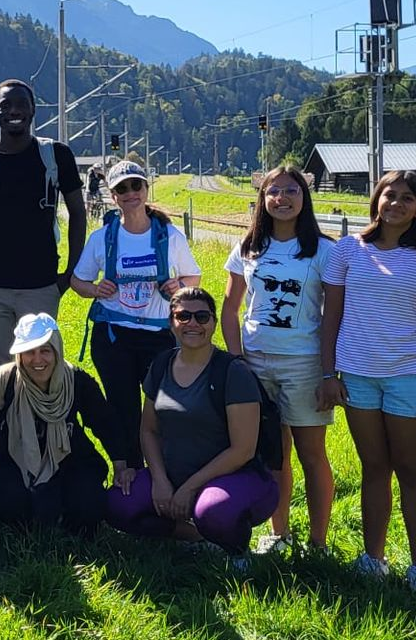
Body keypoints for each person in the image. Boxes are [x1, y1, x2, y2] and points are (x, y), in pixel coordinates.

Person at [319, 170, 416, 590]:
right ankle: (372, 559)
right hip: (357, 376)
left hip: (409, 377)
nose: (396, 204)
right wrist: (327, 374)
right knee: (374, 468)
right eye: (389, 195)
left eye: (407, 198)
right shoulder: (347, 250)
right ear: (376, 199)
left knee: (412, 470)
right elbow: (330, 317)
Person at [107, 288, 278, 564]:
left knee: (214, 512)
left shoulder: (233, 372)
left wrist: (189, 487)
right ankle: (195, 538)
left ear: (213, 323)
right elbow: (148, 430)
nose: (193, 324)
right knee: (118, 504)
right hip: (174, 474)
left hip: (238, 478)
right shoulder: (161, 365)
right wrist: (160, 480)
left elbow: (243, 450)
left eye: (202, 317)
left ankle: (236, 552)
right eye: (183, 316)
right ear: (171, 322)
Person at [222, 165, 334, 554]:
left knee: (311, 454)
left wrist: (329, 371)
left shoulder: (324, 250)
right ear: (262, 198)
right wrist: (236, 360)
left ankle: (318, 543)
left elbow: (334, 315)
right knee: (273, 455)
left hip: (304, 364)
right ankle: (279, 532)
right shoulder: (248, 246)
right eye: (273, 191)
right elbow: (230, 308)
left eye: (291, 191)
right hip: (255, 363)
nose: (281, 198)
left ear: (305, 197)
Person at [69, 160, 200, 470]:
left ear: (146, 189)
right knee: (123, 410)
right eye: (122, 189)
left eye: (136, 185)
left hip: (159, 335)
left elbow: (193, 277)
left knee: (164, 408)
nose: (130, 193)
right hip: (114, 336)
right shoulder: (103, 238)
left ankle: (165, 474)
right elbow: (77, 281)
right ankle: (130, 474)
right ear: (113, 196)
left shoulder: (169, 235)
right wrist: (95, 290)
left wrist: (179, 285)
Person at [0, 79, 88, 371]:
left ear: (33, 110)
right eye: (6, 105)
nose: (14, 111)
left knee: (42, 371)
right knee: (0, 375)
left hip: (42, 286)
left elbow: (78, 213)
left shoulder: (56, 155)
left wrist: (70, 274)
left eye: (22, 105)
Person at [0, 313, 127, 535]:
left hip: (70, 457)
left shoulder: (76, 380)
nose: (37, 360)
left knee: (88, 507)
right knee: (11, 508)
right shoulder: (4, 380)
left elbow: (105, 422)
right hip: (17, 458)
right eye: (29, 352)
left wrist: (120, 465)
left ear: (57, 350)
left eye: (45, 351)